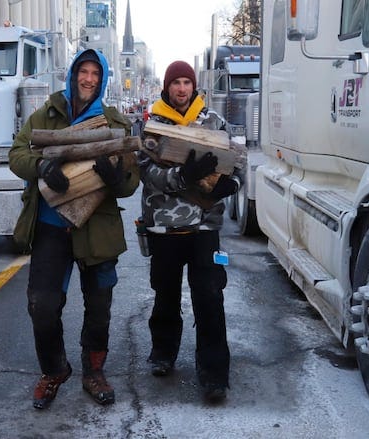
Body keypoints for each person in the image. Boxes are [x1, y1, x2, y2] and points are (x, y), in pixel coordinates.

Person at [8, 49, 140, 410]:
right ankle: (54, 370)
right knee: (42, 305)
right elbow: (16, 154)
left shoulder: (113, 122)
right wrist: (40, 166)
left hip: (97, 229)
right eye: (83, 71)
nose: (88, 79)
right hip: (51, 227)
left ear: (103, 79)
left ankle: (93, 372)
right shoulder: (48, 114)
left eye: (96, 73)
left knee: (99, 306)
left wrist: (117, 179)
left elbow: (130, 182)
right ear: (72, 75)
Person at [138, 60, 242, 403]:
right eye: (175, 83)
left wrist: (229, 186)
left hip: (203, 228)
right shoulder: (152, 124)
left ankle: (214, 374)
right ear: (166, 87)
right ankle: (163, 353)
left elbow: (237, 162)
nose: (181, 88)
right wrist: (184, 177)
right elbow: (147, 171)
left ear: (193, 86)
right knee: (165, 296)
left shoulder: (213, 121)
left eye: (186, 82)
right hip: (164, 227)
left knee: (210, 298)